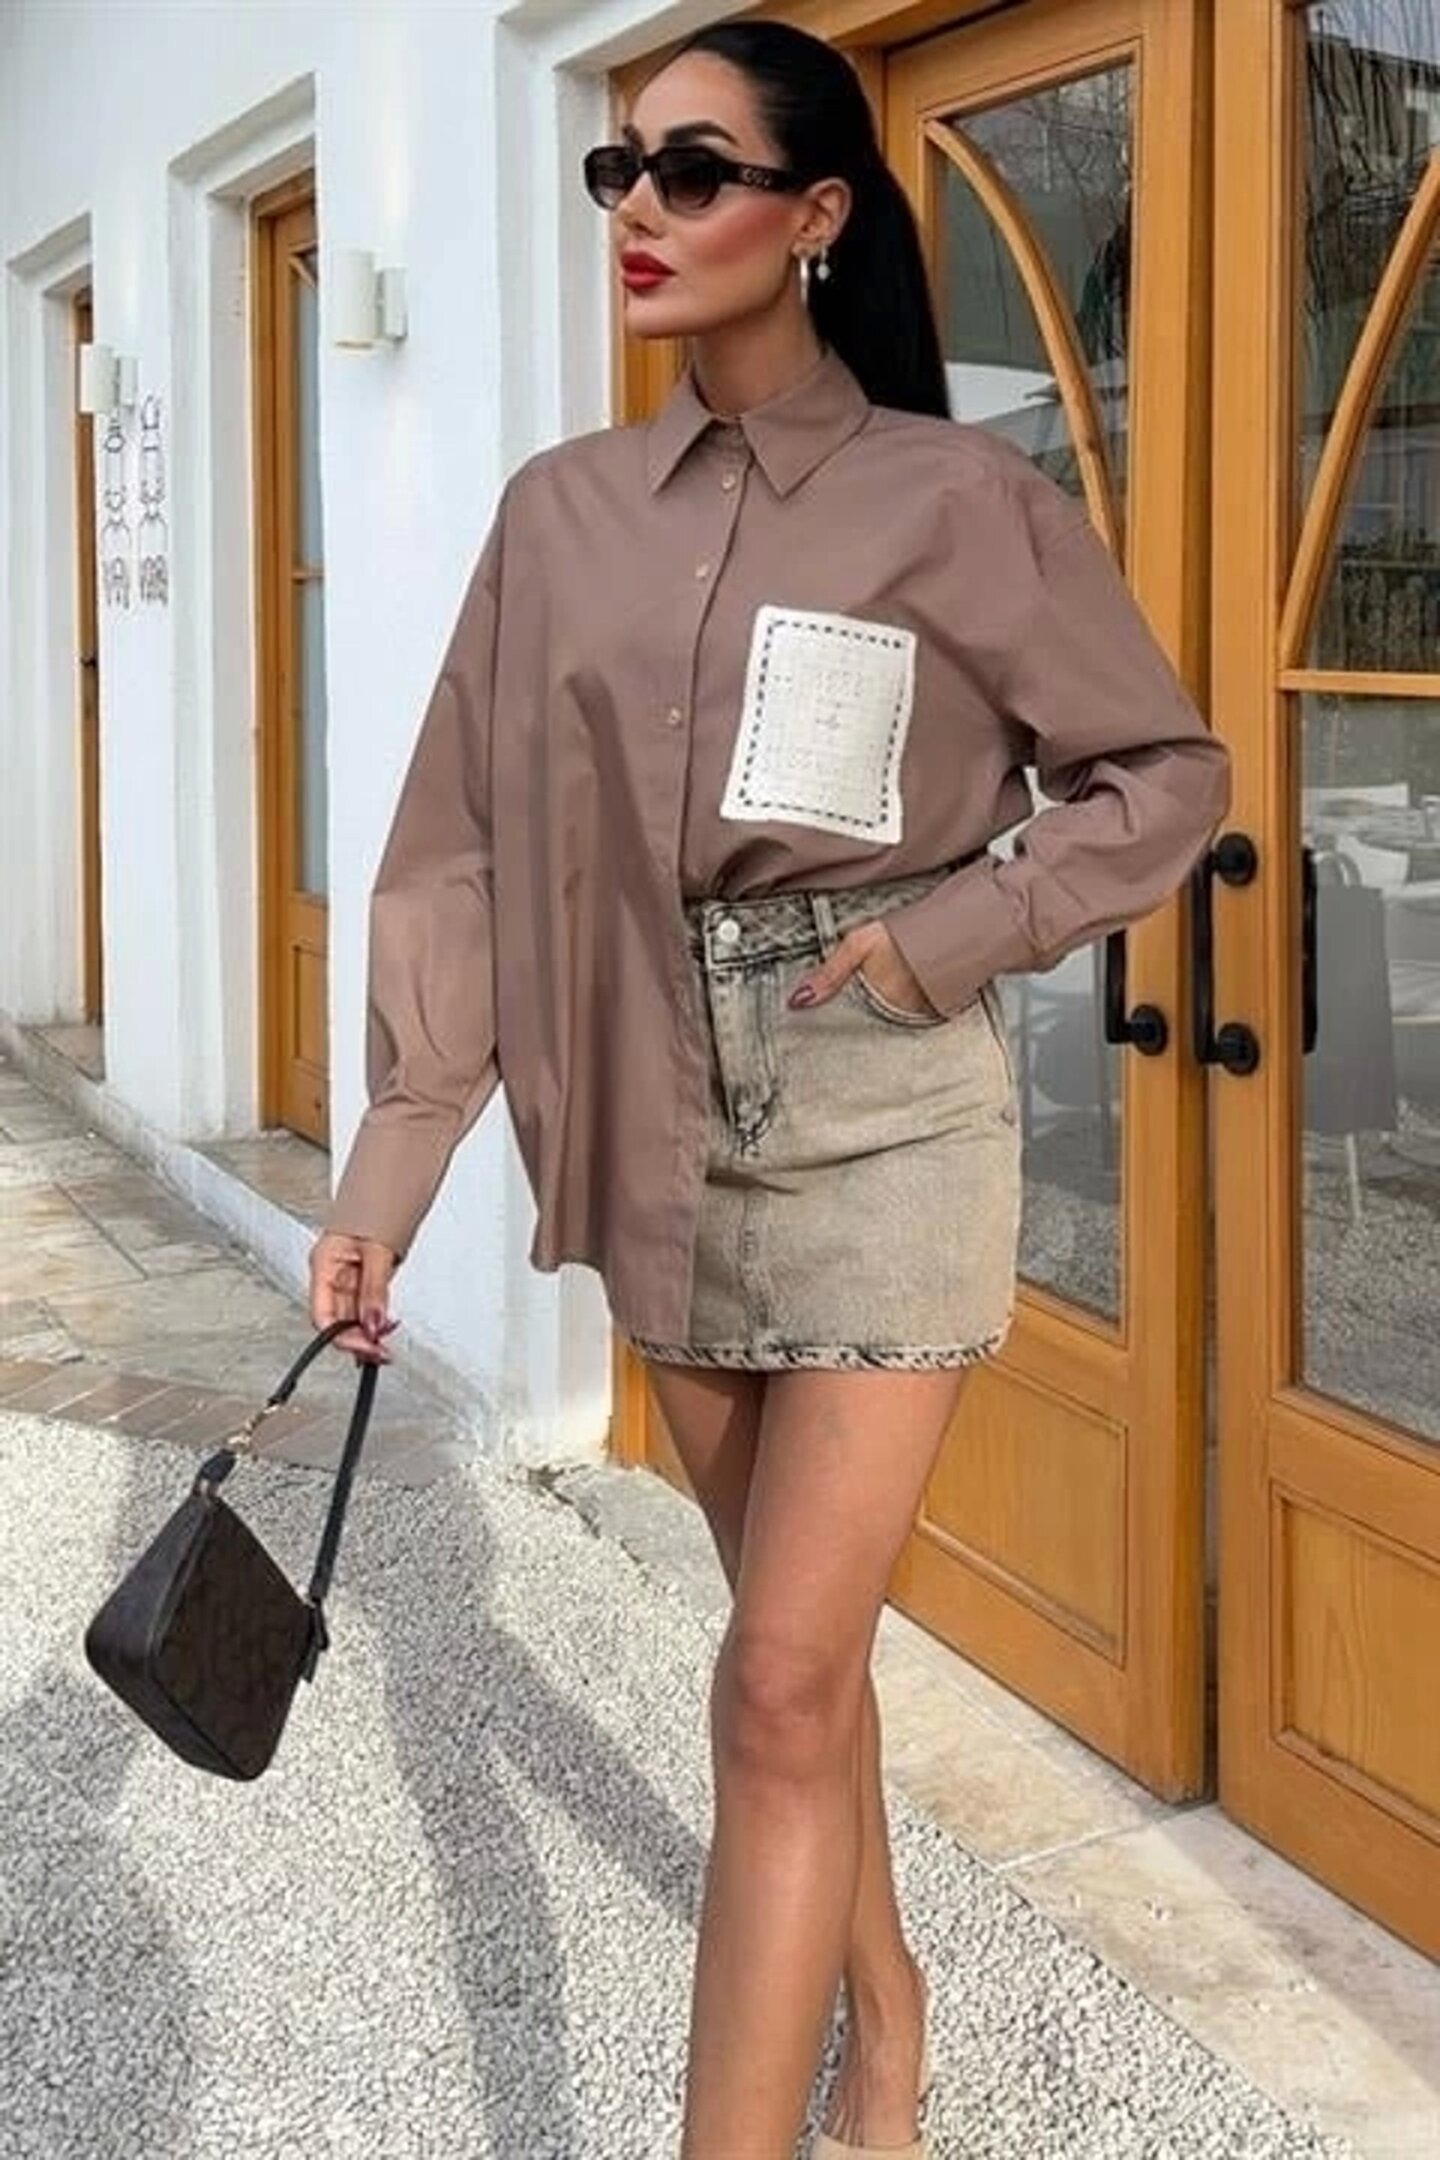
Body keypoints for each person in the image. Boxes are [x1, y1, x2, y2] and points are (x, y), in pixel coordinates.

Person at [310, 19, 1230, 2159]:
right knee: (783, 1675)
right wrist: (390, 1165)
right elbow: (457, 844)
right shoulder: (559, 517)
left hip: (877, 1105)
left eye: (693, 170)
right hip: (647, 1100)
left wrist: (952, 934)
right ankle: (885, 2015)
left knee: (780, 1683)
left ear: (816, 215)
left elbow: (1166, 778)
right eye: (619, 169)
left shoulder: (962, 503)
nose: (639, 209)